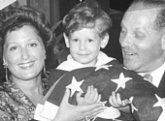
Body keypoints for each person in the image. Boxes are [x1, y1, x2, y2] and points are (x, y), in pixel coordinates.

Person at [0, 6, 105, 121]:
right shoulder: (2, 101)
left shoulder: (64, 81)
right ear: (4, 58)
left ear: (44, 50)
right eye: (14, 48)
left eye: (32, 45)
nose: (25, 55)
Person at [56, 1, 115, 71]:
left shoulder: (113, 68)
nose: (82, 47)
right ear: (67, 40)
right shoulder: (62, 72)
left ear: (103, 40)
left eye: (90, 40)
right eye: (76, 40)